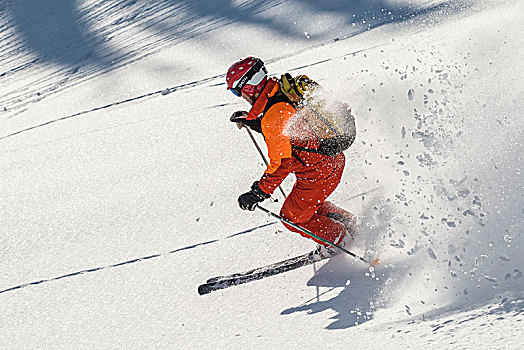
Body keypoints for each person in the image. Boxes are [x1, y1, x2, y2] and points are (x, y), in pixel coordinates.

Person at [226, 57, 356, 259]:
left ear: (249, 86)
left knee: (292, 217)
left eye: (236, 90)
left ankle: (338, 240)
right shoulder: (283, 90)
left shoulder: (273, 116)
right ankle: (349, 224)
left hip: (317, 175)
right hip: (332, 159)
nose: (239, 96)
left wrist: (258, 193)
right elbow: (291, 131)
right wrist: (254, 122)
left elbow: (281, 163)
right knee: (307, 206)